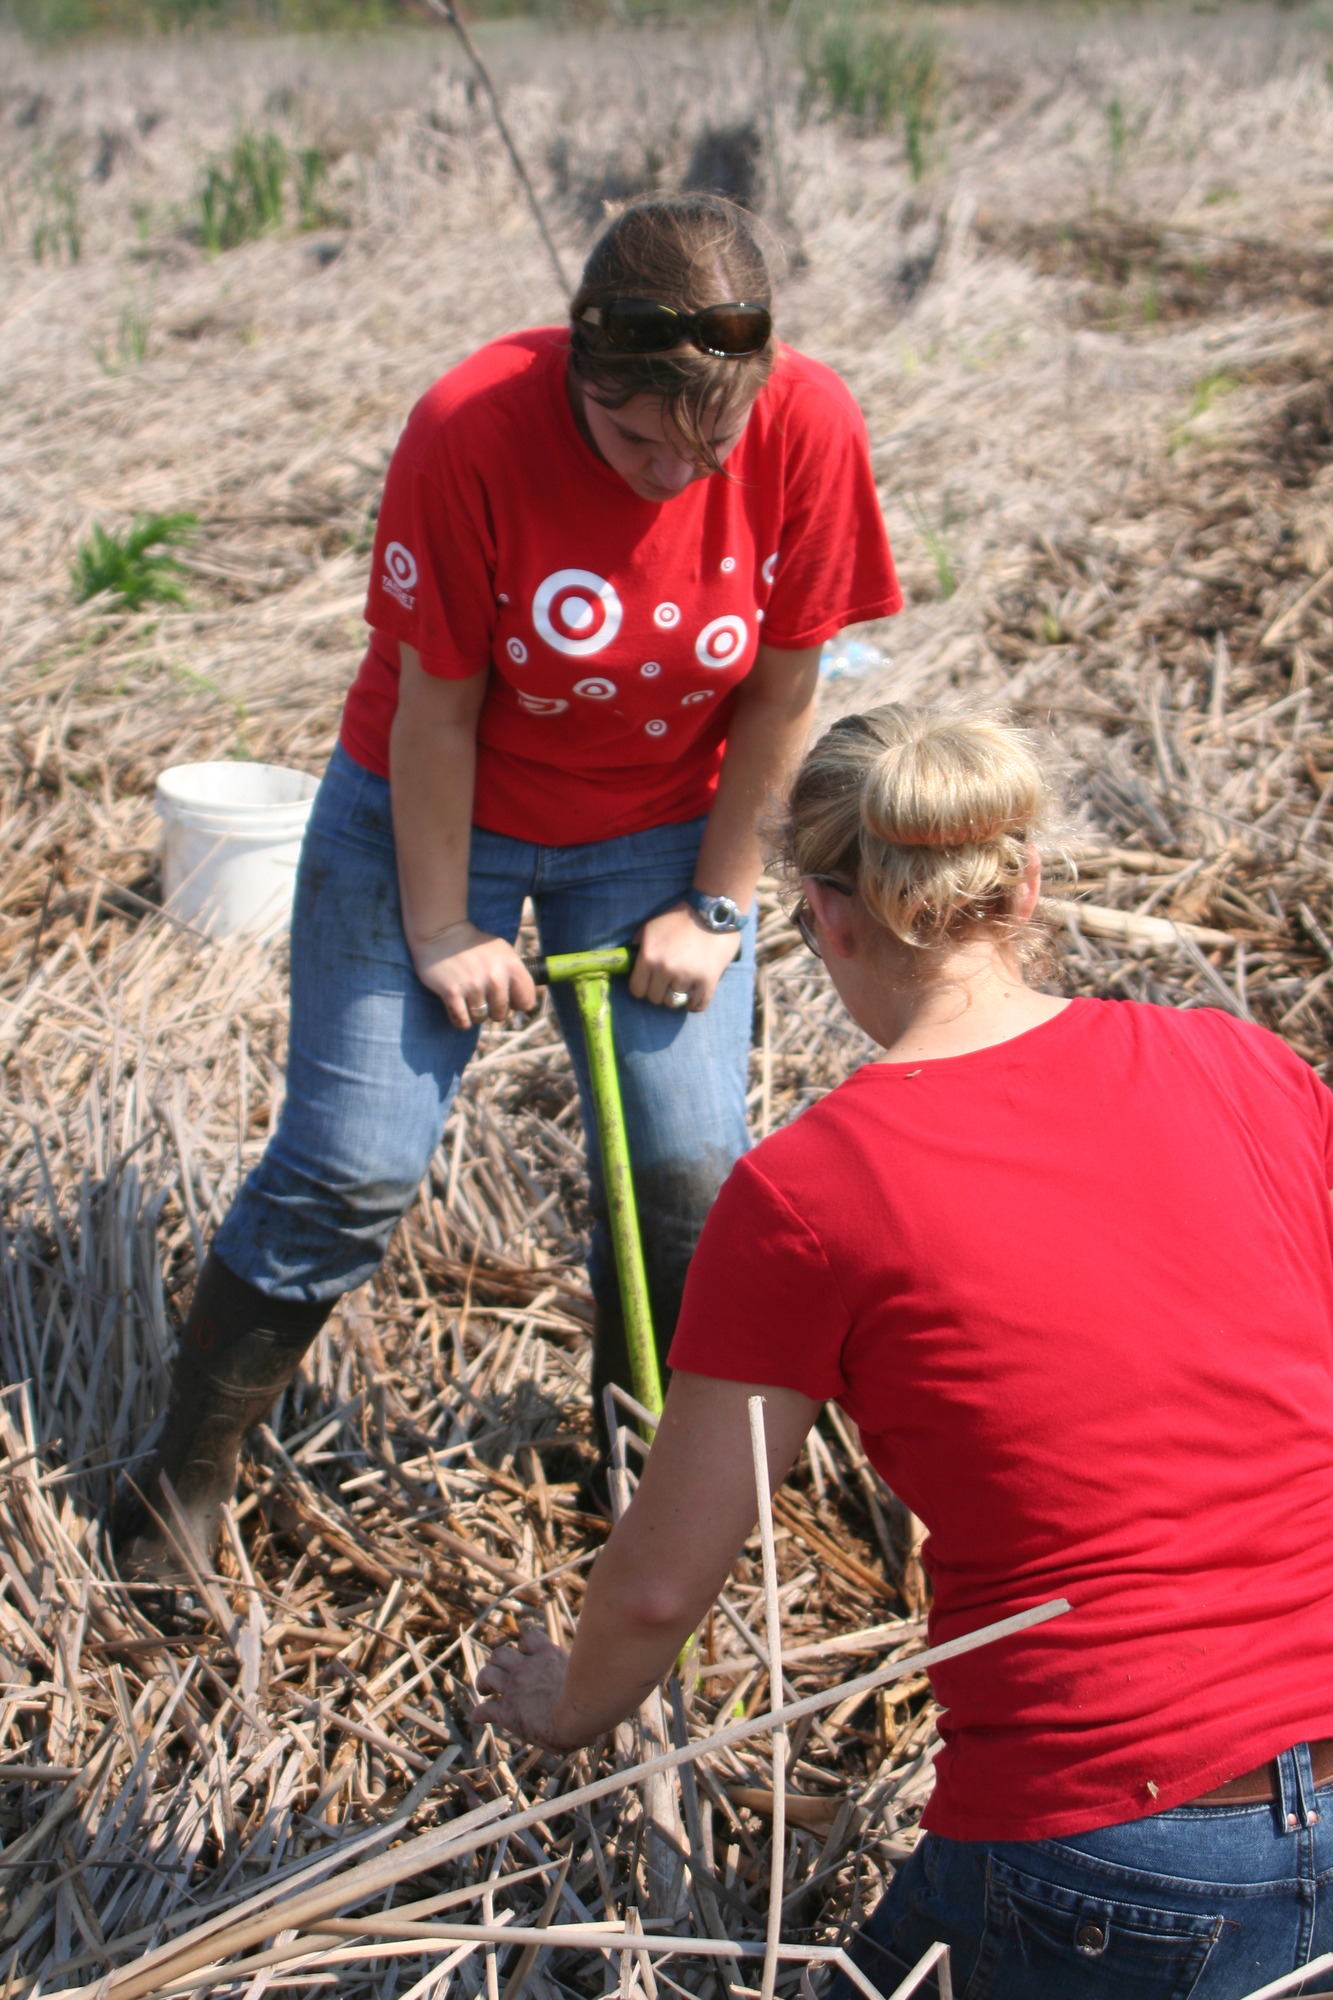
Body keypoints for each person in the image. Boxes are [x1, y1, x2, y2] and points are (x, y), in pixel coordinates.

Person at [474, 702, 1333, 1999]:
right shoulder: (1240, 1060)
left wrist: (567, 1706)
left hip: (1112, 1838)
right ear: (1026, 884)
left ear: (823, 916)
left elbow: (660, 1583)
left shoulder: (809, 1191)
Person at [116, 193, 901, 1586]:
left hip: (663, 821)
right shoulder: (474, 424)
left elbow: (786, 690)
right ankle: (183, 1478)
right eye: (633, 437)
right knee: (351, 1164)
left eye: (705, 442)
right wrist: (441, 926)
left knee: (683, 1166)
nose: (670, 473)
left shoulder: (807, 426)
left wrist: (716, 909)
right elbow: (437, 716)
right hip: (438, 805)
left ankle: (633, 1458)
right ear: (577, 372)